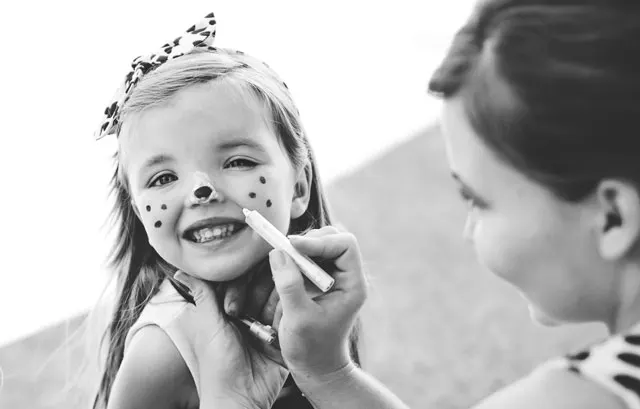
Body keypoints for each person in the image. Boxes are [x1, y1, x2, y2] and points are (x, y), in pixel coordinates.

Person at [176, 1, 640, 408]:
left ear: (613, 216)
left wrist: (230, 400)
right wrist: (327, 372)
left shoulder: (575, 399)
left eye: (477, 200)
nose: (468, 228)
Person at [91, 12, 360, 409]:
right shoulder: (162, 351)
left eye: (238, 162)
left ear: (298, 186)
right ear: (138, 212)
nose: (202, 190)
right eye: (163, 178)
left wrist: (332, 371)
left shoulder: (314, 305)